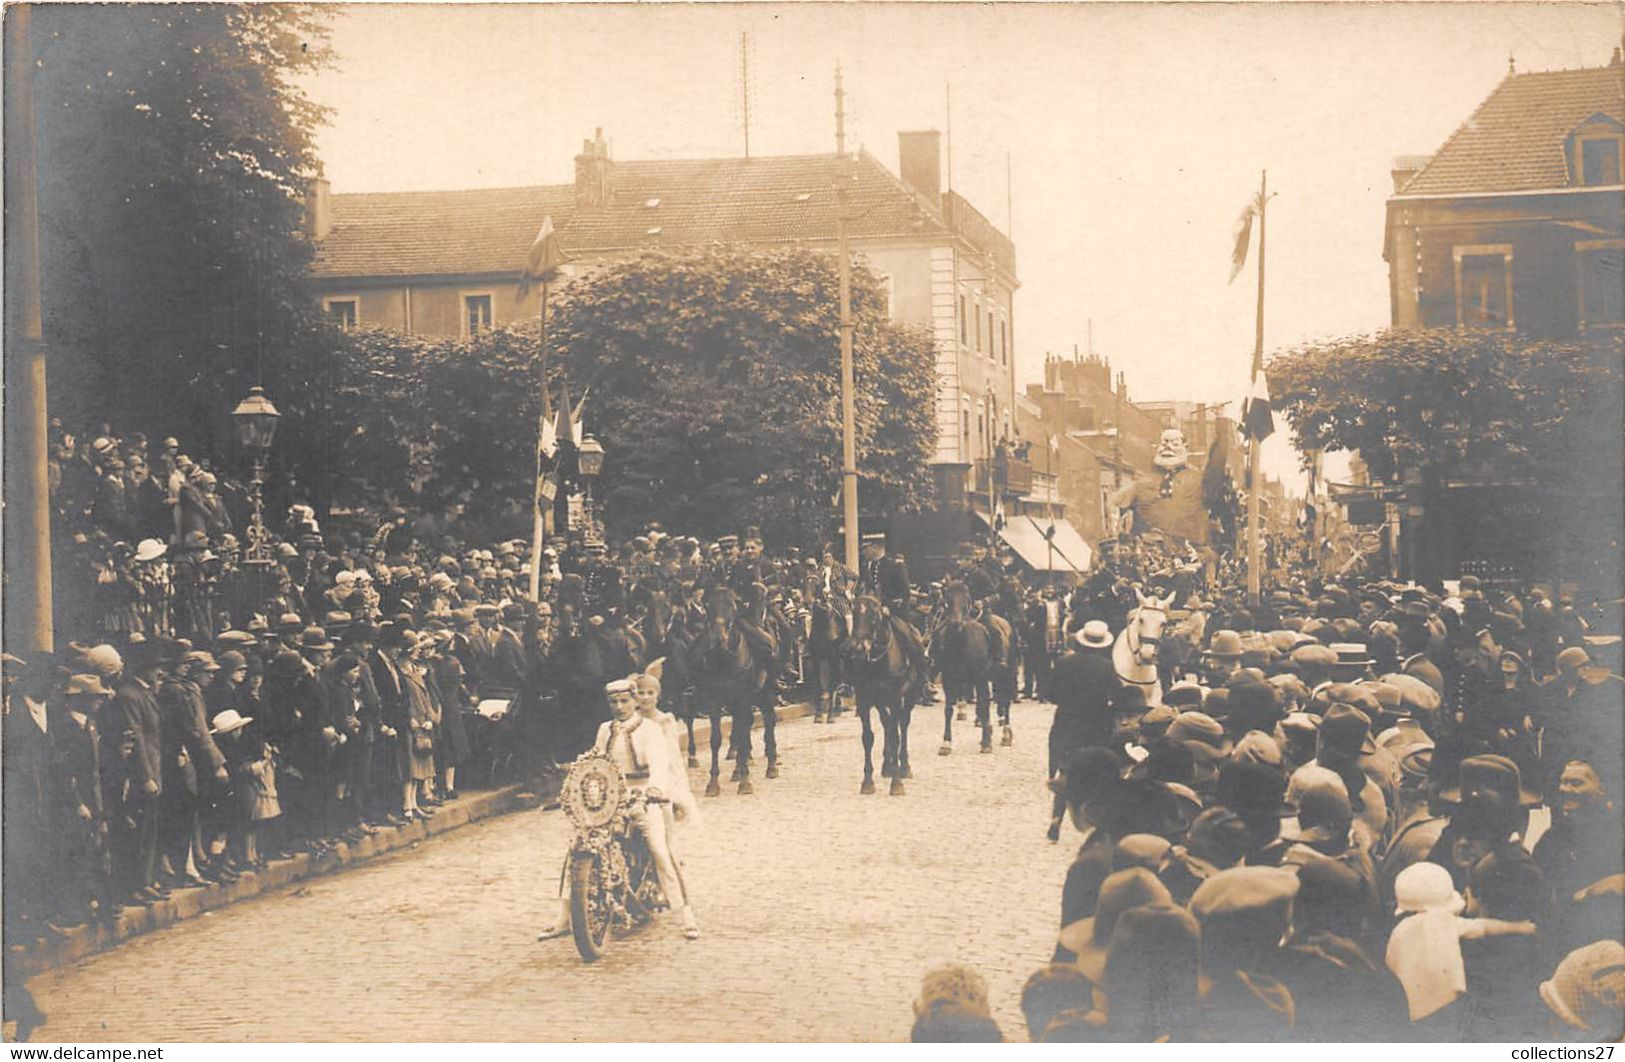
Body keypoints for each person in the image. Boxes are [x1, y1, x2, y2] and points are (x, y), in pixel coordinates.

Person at [538, 679, 699, 942]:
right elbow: (598, 761)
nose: (619, 707)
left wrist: (654, 789)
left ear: (635, 701)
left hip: (644, 794)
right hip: (611, 796)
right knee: (577, 848)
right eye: (614, 702)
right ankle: (565, 916)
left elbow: (659, 763)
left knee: (660, 848)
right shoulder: (604, 729)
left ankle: (686, 913)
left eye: (625, 701)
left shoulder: (650, 729)